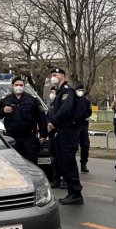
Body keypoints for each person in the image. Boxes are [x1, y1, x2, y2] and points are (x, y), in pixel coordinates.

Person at [47, 68, 84, 205]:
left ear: (62, 76)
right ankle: (71, 192)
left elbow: (65, 110)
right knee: (63, 162)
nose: (53, 77)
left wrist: (53, 122)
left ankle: (76, 193)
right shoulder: (59, 92)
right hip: (62, 131)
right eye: (51, 75)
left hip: (68, 131)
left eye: (55, 75)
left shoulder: (67, 91)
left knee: (68, 161)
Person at [0, 76, 47, 165]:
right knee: (15, 163)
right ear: (12, 86)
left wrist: (43, 134)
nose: (19, 87)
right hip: (13, 138)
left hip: (29, 138)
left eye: (21, 85)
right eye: (16, 85)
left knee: (32, 163)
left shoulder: (32, 99)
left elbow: (41, 116)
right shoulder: (6, 99)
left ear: (24, 86)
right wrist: (3, 110)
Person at [46, 86, 64, 188]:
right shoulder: (51, 105)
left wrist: (54, 125)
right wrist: (48, 124)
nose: (52, 94)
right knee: (53, 159)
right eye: (51, 92)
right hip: (52, 135)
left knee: (62, 159)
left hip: (60, 134)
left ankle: (64, 180)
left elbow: (63, 118)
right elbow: (48, 117)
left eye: (54, 92)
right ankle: (56, 179)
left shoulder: (62, 105)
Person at [73, 84, 92, 173]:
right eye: (79, 90)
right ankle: (73, 164)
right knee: (73, 146)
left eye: (82, 90)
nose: (80, 91)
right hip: (75, 125)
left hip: (83, 125)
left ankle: (83, 164)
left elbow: (89, 112)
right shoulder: (72, 101)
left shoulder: (86, 101)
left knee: (85, 145)